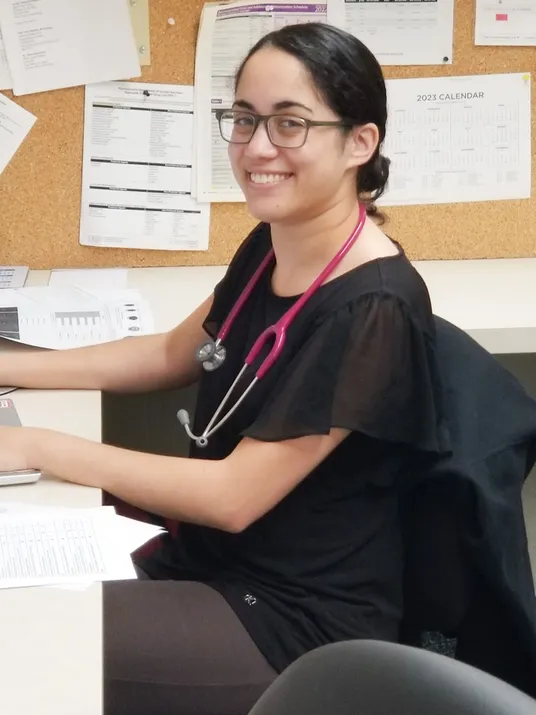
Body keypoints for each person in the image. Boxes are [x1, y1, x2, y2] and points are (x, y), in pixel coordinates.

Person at [0, 23, 451, 715]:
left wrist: (35, 444)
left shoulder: (374, 307)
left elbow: (233, 497)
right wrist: (14, 368)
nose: (256, 147)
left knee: (24, 639)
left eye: (290, 123)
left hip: (288, 623)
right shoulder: (278, 239)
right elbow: (167, 353)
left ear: (361, 142)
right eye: (244, 119)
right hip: (208, 563)